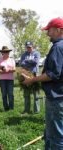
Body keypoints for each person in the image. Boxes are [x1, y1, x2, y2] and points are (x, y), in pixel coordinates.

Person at [22, 17, 63, 150]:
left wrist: (32, 79)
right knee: (52, 132)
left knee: (56, 136)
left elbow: (53, 74)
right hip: (59, 95)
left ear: (58, 30)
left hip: (57, 97)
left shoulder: (57, 48)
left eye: (49, 30)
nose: (47, 34)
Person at [20, 41, 40, 114]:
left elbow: (36, 62)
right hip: (26, 74)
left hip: (35, 74)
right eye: (27, 47)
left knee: (36, 94)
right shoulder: (24, 54)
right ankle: (26, 110)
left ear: (32, 46)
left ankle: (36, 111)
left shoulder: (36, 53)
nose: (29, 48)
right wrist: (30, 61)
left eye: (30, 47)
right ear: (26, 47)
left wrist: (27, 61)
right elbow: (21, 63)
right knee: (26, 93)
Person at [0, 46, 16, 111]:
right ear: (2, 53)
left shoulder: (12, 60)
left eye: (7, 52)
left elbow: (14, 69)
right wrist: (2, 71)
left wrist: (7, 70)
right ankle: (6, 108)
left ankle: (11, 108)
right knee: (4, 94)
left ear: (9, 52)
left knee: (10, 94)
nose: (6, 53)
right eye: (4, 52)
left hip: (10, 79)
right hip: (2, 80)